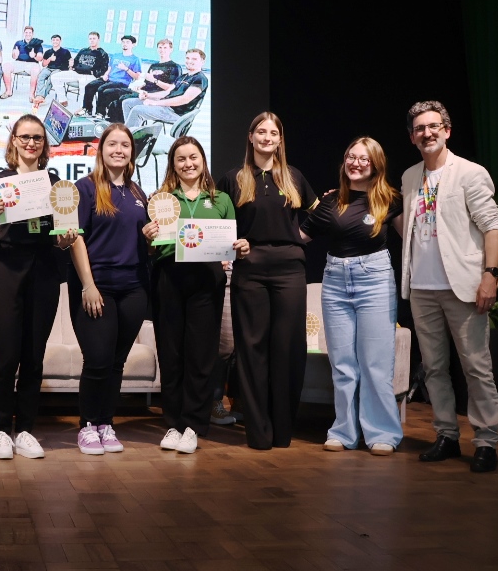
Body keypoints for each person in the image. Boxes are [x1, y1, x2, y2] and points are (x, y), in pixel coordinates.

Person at [399, 101, 498, 473]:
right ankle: (446, 434)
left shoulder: (470, 173)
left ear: (447, 130)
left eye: (433, 126)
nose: (427, 133)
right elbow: (410, 223)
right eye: (419, 129)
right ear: (412, 138)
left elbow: (493, 227)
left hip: (464, 286)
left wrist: (489, 275)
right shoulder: (411, 176)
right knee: (434, 368)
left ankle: (487, 440)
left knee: (476, 366)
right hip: (422, 288)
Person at [217, 112, 317, 450]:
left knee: (287, 349)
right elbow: (218, 225)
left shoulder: (294, 177)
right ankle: (258, 432)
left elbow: (320, 215)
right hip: (251, 271)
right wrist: (232, 247)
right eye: (261, 131)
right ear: (251, 136)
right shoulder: (233, 179)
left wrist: (298, 235)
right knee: (252, 350)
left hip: (290, 271)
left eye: (273, 132)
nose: (267, 137)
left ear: (280, 139)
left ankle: (282, 430)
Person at [0, 115, 79, 459]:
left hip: (44, 271)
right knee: (6, 355)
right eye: (25, 137)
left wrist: (66, 239)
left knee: (33, 356)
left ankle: (24, 430)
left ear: (44, 145)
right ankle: (0, 431)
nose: (31, 143)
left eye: (37, 138)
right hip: (7, 268)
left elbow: (63, 239)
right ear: (14, 142)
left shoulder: (55, 184)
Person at [142, 136, 248, 454]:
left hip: (207, 279)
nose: (188, 164)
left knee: (201, 356)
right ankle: (173, 425)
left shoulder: (221, 200)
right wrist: (148, 238)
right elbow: (153, 247)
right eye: (181, 159)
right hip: (169, 278)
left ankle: (193, 427)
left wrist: (239, 247)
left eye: (194, 157)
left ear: (203, 160)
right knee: (171, 354)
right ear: (173, 165)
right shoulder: (161, 199)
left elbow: (230, 242)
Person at [299, 137, 404, 455]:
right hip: (335, 281)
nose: (356, 163)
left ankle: (382, 433)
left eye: (364, 159)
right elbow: (296, 238)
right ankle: (344, 431)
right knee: (343, 364)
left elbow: (413, 239)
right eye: (350, 157)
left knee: (375, 363)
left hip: (375, 280)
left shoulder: (390, 199)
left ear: (376, 165)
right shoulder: (330, 202)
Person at [69, 123, 150, 455]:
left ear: (132, 152)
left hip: (133, 289)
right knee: (98, 360)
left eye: (125, 145)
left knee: (117, 362)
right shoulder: (85, 188)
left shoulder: (137, 193)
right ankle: (88, 425)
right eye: (113, 144)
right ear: (101, 149)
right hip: (97, 287)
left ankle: (106, 423)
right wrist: (88, 285)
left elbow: (141, 238)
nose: (119, 150)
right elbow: (75, 237)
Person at [122, 48, 208, 130]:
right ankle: (133, 131)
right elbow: (167, 92)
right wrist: (148, 95)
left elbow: (184, 99)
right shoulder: (183, 77)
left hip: (176, 113)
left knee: (138, 110)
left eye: (194, 59)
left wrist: (156, 103)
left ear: (202, 62)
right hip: (165, 106)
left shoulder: (200, 79)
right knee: (127, 103)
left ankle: (128, 137)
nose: (189, 61)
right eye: (187, 58)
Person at [101, 38, 181, 123]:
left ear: (171, 50)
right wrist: (139, 86)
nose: (162, 50)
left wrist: (155, 81)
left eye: (165, 48)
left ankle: (124, 126)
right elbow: (147, 82)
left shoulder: (175, 67)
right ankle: (114, 123)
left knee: (122, 99)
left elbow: (171, 89)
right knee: (112, 94)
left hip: (155, 96)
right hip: (143, 92)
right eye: (160, 47)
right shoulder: (154, 65)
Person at [79, 35, 142, 117]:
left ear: (133, 45)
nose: (125, 44)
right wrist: (105, 75)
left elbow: (137, 76)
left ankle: (100, 113)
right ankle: (87, 109)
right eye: (123, 42)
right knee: (89, 86)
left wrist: (126, 69)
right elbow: (110, 67)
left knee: (102, 89)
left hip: (121, 82)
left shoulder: (135, 59)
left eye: (127, 42)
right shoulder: (115, 55)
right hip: (109, 78)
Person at [50, 32, 109, 108]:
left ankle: (82, 109)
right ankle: (63, 100)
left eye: (94, 38)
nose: (92, 40)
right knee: (55, 77)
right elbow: (75, 62)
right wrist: (71, 65)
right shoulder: (83, 51)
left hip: (90, 76)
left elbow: (103, 69)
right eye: (90, 38)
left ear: (98, 40)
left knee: (83, 88)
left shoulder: (102, 53)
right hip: (77, 73)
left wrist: (92, 72)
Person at [32, 35, 71, 110]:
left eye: (57, 40)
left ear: (60, 41)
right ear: (51, 41)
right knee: (41, 76)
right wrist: (50, 59)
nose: (55, 42)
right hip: (49, 68)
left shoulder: (65, 52)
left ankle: (42, 97)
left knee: (51, 78)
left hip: (59, 70)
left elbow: (69, 63)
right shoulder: (48, 52)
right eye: (53, 40)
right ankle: (39, 96)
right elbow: (43, 64)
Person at [6, 26, 44, 102]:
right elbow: (13, 56)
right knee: (6, 66)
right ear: (24, 33)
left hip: (32, 64)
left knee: (36, 71)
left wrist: (34, 56)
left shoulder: (37, 44)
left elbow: (40, 57)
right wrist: (15, 55)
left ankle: (31, 94)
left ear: (32, 34)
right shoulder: (18, 42)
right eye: (26, 32)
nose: (28, 34)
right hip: (19, 62)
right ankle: (8, 91)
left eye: (30, 33)